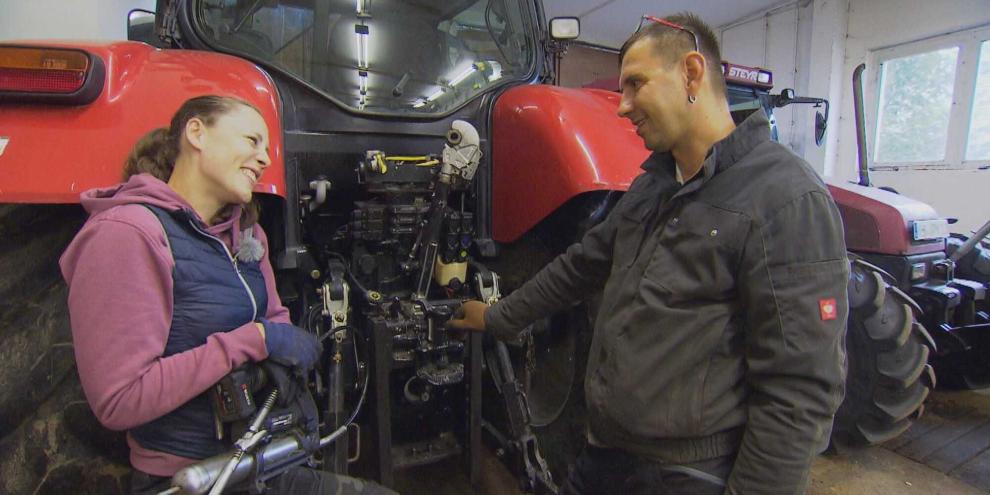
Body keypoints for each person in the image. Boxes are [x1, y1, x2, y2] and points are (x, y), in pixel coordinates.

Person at [449, 12, 848, 495]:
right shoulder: (651, 186)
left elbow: (799, 391)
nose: (623, 106)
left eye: (636, 84)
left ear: (692, 73)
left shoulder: (785, 198)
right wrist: (497, 319)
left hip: (687, 475)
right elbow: (581, 266)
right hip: (606, 457)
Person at [60, 95, 395, 495]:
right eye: (252, 140)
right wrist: (253, 341)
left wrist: (275, 342)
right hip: (192, 479)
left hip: (261, 457)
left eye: (266, 148)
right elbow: (121, 398)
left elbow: (275, 319)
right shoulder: (128, 234)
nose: (265, 158)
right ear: (197, 133)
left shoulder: (248, 234)